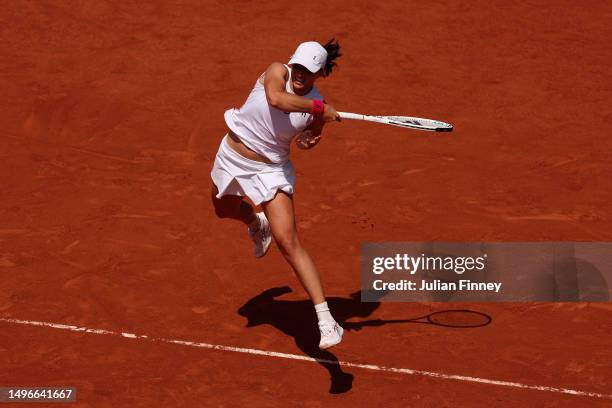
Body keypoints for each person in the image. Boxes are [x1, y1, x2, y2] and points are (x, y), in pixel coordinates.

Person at [210, 39, 344, 349]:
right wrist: (318, 108)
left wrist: (313, 135)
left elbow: (306, 140)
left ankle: (326, 320)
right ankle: (256, 224)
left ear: (320, 73)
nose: (299, 74)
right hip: (232, 155)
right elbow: (276, 99)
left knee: (288, 239)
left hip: (271, 169)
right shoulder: (275, 73)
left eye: (308, 71)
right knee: (223, 209)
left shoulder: (316, 106)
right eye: (297, 66)